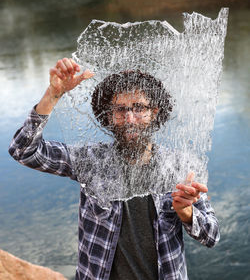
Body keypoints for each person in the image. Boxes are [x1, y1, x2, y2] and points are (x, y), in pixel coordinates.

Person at [9, 57, 220, 280]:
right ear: (109, 116)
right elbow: (23, 150)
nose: (129, 118)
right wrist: (53, 95)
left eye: (139, 108)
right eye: (120, 110)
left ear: (154, 112)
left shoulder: (179, 167)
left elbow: (211, 236)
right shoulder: (91, 160)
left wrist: (186, 213)